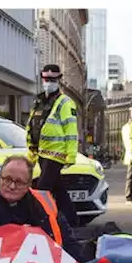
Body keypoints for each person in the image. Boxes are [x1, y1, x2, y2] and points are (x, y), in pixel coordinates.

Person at [0, 155, 71, 244]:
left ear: (28, 184)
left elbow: (68, 244)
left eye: (19, 182)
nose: (12, 186)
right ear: (0, 179)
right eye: (7, 179)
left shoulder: (45, 205)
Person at [25, 63, 78, 223]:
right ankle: (72, 220)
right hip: (42, 153)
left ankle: (37, 221)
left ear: (59, 80)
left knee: (42, 189)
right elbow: (33, 126)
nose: (48, 82)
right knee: (58, 189)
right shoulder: (39, 101)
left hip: (56, 154)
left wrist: (71, 155)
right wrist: (31, 153)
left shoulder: (65, 102)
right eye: (46, 79)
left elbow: (71, 130)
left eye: (52, 79)